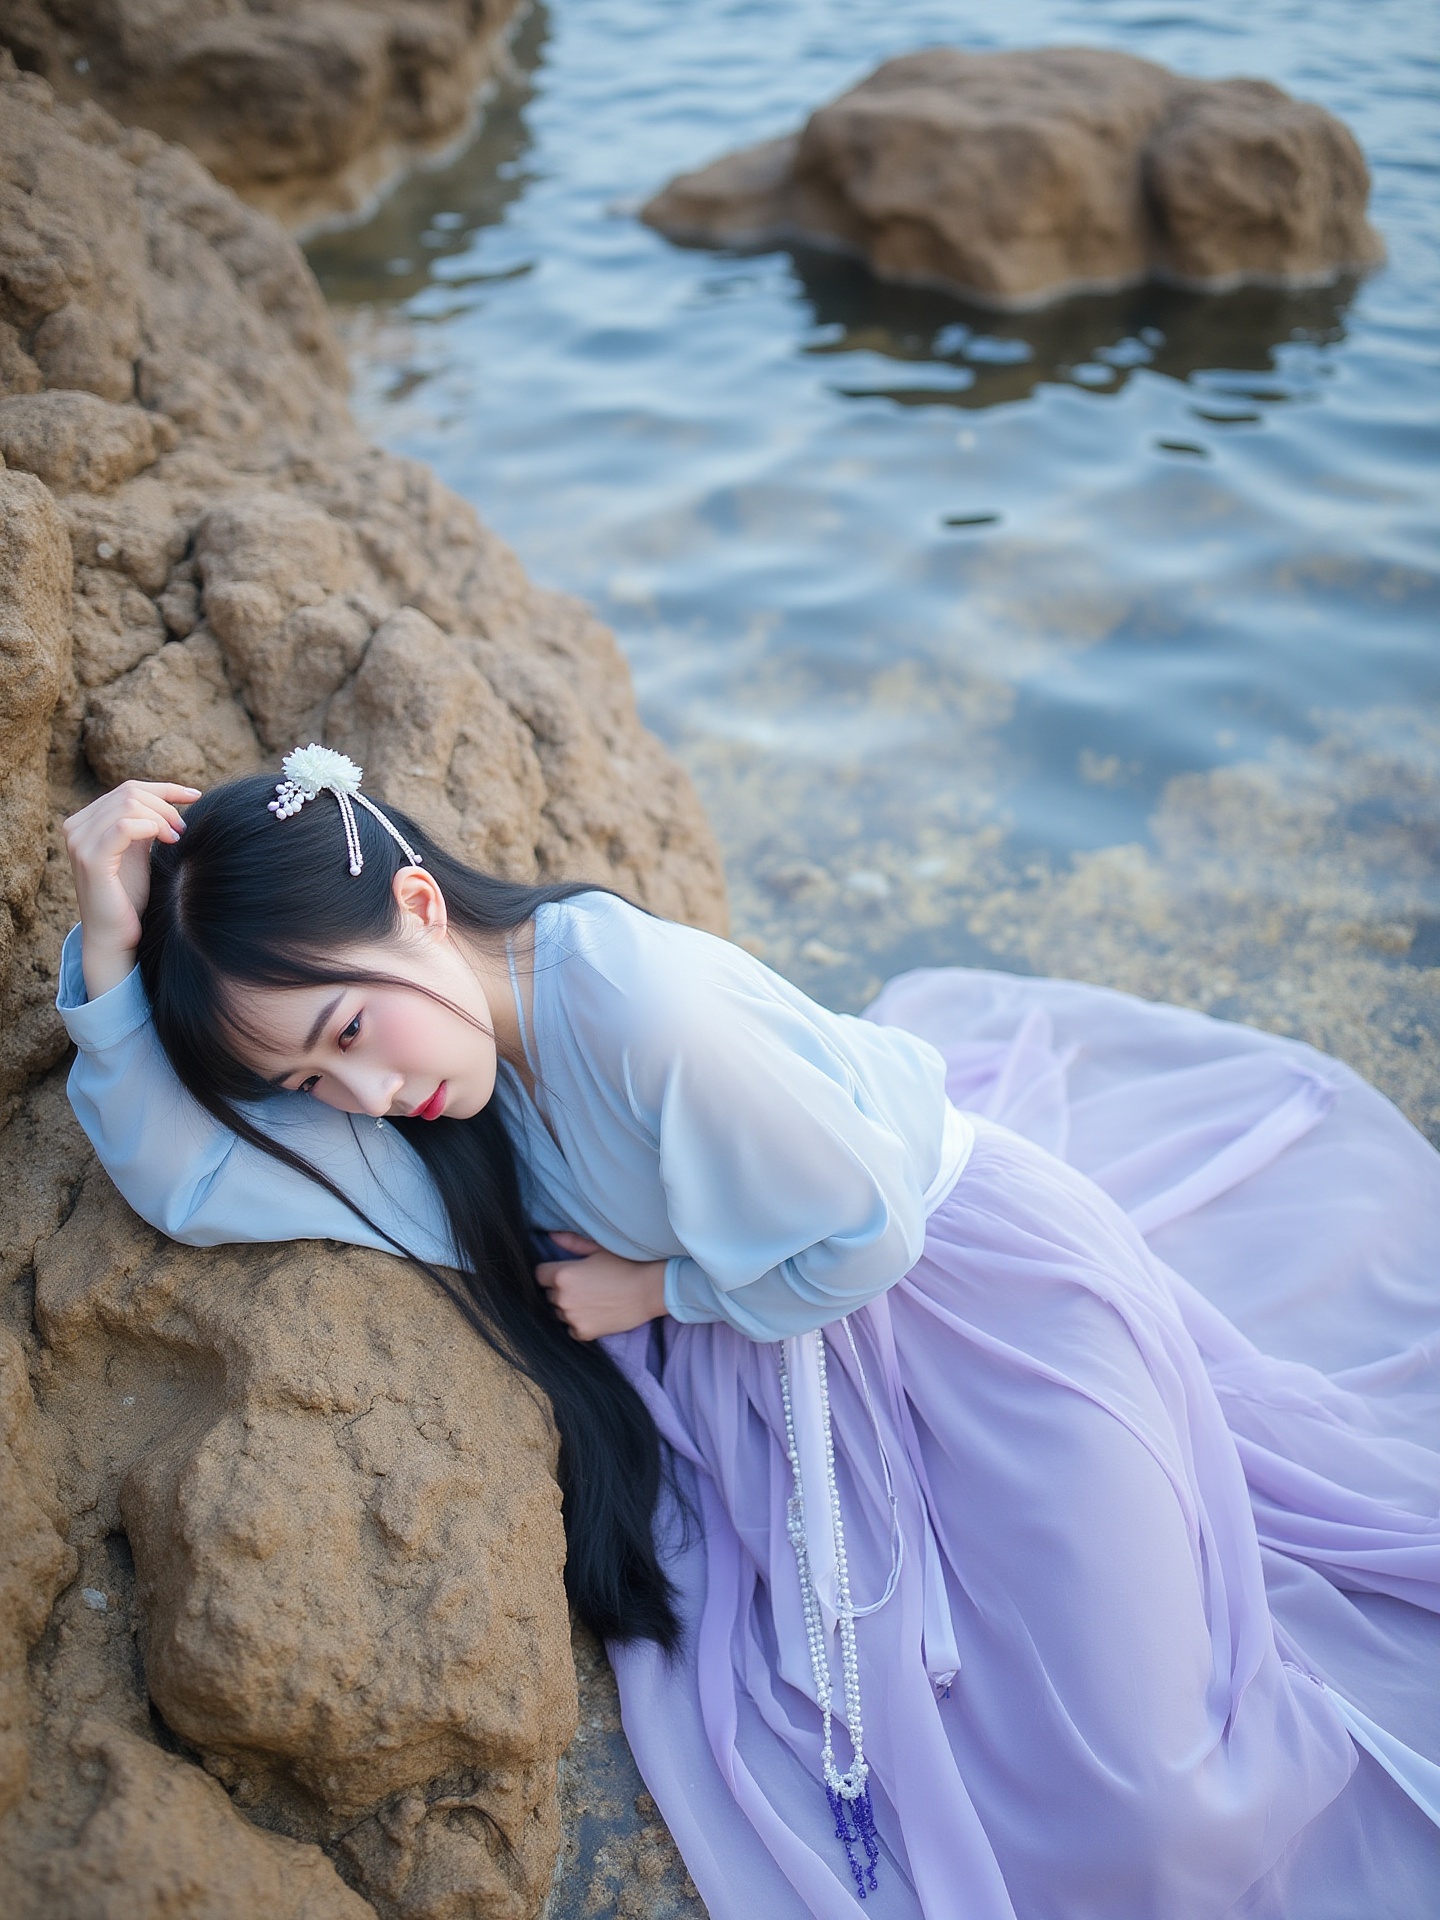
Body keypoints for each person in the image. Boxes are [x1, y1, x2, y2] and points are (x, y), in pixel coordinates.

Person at [58, 751, 1440, 1920]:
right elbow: (198, 1180)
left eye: (350, 1030)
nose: (363, 1091)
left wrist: (662, 1294)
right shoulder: (452, 1093)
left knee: (1156, 1800)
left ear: (419, 904)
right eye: (314, 1077)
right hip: (809, 1358)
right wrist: (109, 948)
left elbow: (866, 1236)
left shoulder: (641, 1014)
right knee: (990, 1758)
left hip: (982, 1311)